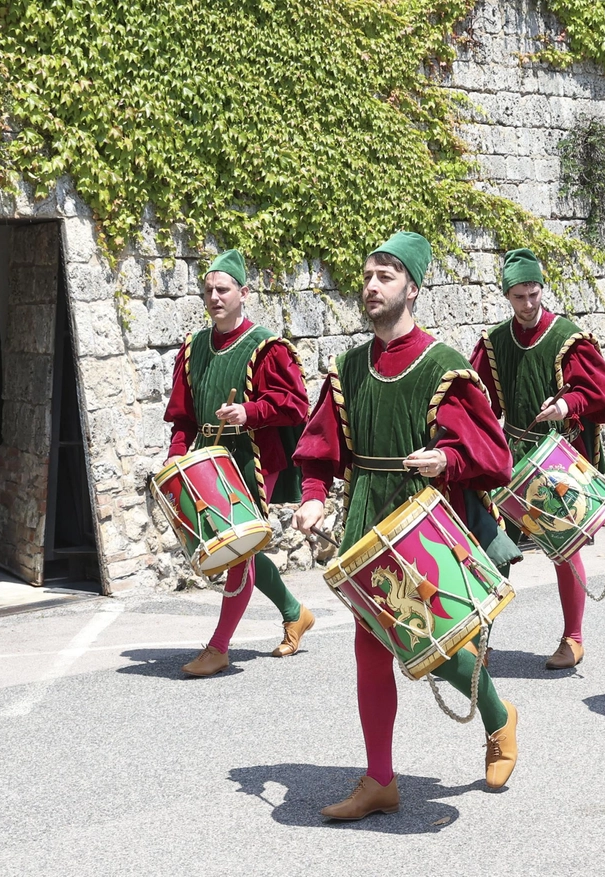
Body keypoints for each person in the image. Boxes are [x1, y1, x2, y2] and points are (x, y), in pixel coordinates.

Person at [293, 231, 521, 820]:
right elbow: (321, 446)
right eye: (367, 276)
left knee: (437, 649)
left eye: (386, 276)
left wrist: (449, 457)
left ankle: (499, 718)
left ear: (412, 289)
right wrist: (315, 495)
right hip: (368, 523)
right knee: (370, 651)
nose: (371, 286)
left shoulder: (443, 366)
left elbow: (493, 453)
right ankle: (380, 779)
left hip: (425, 522)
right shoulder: (348, 367)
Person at [163, 250, 314, 676]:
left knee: (236, 549)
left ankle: (219, 647)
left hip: (255, 459)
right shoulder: (193, 348)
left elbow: (295, 404)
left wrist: (251, 412)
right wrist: (177, 458)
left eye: (223, 289)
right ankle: (294, 611)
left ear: (243, 293)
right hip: (208, 461)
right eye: (208, 290)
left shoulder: (265, 346)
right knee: (239, 550)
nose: (214, 297)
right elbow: (183, 414)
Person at [470, 248, 605, 670]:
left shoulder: (567, 338)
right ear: (507, 296)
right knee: (492, 545)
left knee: (562, 546)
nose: (528, 304)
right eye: (519, 296)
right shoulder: (494, 343)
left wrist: (567, 403)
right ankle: (481, 638)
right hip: (510, 454)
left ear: (542, 289)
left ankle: (573, 637)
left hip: (556, 456)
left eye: (533, 293)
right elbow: (477, 401)